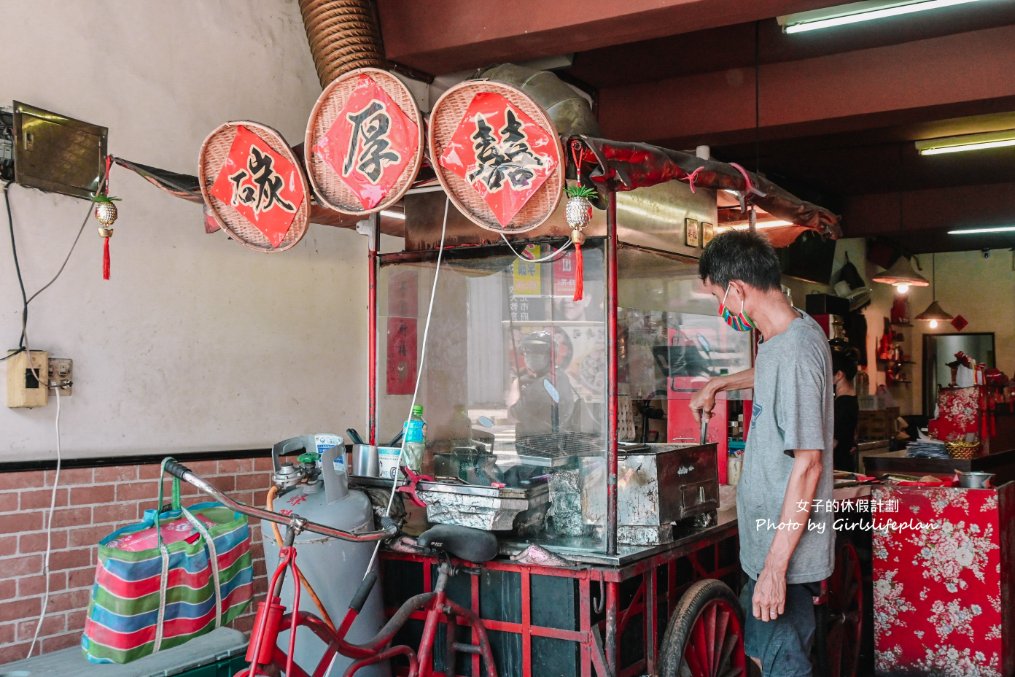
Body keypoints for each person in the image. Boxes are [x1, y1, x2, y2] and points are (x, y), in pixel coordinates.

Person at [690, 230, 834, 677]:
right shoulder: (786, 333)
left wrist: (774, 570)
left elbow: (808, 464)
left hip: (785, 556)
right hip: (768, 547)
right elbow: (770, 372)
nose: (724, 310)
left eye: (720, 298)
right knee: (761, 655)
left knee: (783, 666)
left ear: (738, 288)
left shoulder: (794, 351)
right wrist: (719, 383)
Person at [831, 344, 860, 473]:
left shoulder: (844, 403)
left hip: (840, 465)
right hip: (845, 462)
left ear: (839, 375)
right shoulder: (849, 399)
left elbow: (834, 441)